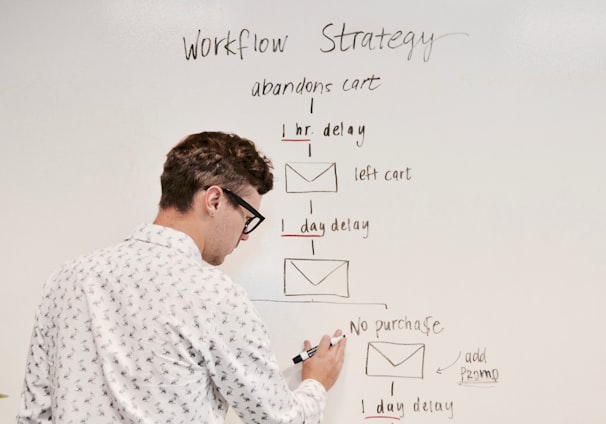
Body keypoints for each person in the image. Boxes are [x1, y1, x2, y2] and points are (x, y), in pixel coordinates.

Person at [18, 131, 346, 424]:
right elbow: (278, 421)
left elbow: (33, 416)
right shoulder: (216, 296)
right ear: (214, 199)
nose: (245, 235)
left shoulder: (67, 279)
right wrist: (317, 383)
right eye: (247, 218)